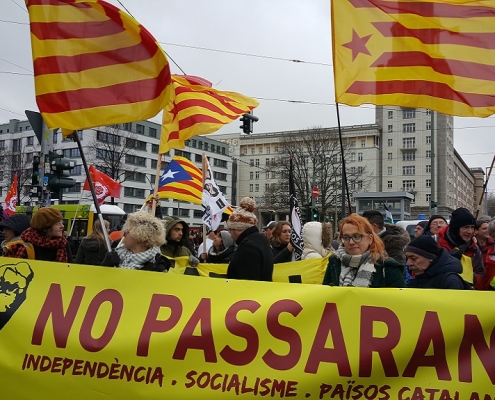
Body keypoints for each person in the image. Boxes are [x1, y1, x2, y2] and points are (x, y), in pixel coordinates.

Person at [323, 214, 405, 288]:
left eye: (357, 236)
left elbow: (399, 301)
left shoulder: (388, 267)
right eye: (346, 237)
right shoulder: (334, 261)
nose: (351, 242)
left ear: (370, 239)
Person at [434, 207, 485, 290]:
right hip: (439, 295)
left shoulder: (475, 249)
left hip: (465, 297)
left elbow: (481, 275)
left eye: (472, 227)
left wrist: (470, 277)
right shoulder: (434, 242)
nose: (470, 231)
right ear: (455, 229)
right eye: (466, 227)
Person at [101, 211, 170, 271]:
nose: (123, 234)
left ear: (140, 236)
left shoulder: (158, 265)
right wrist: (105, 268)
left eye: (127, 231)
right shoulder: (116, 254)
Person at [226, 197, 273, 281]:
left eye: (230, 230)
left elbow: (247, 282)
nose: (230, 235)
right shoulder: (261, 240)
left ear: (237, 229)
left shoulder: (247, 247)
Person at [4, 207, 73, 262]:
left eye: (62, 222)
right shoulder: (23, 246)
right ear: (46, 227)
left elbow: (70, 268)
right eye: (58, 223)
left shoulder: (62, 243)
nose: (62, 226)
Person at [406, 236, 470, 289]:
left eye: (413, 258)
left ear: (430, 258)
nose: (409, 263)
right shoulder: (421, 275)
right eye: (407, 258)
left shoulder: (449, 280)